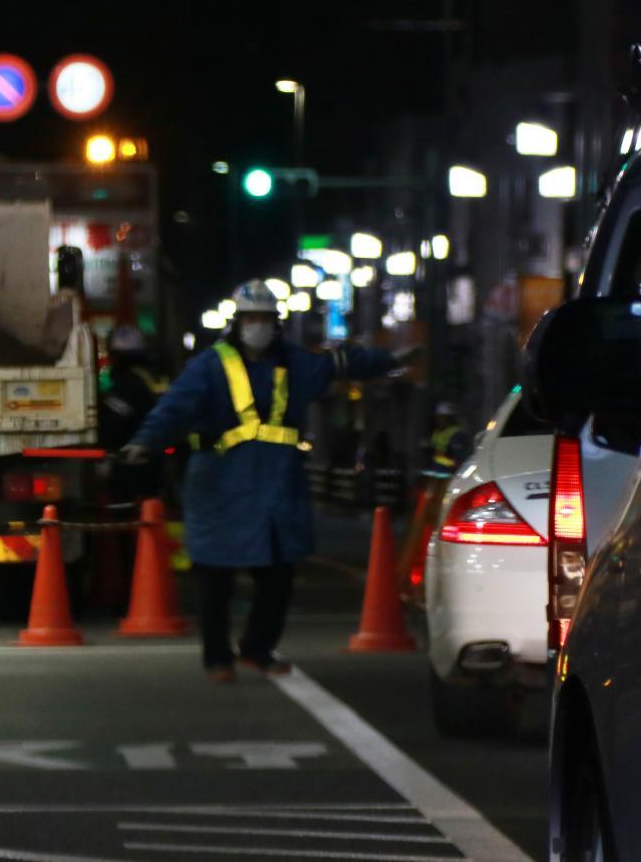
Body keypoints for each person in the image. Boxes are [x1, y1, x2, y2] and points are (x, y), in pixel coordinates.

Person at [122, 279, 419, 682]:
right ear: (238, 321)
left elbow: (342, 364)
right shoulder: (210, 365)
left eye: (264, 318)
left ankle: (257, 649)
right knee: (215, 575)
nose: (258, 325)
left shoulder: (293, 362)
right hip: (221, 485)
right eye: (251, 318)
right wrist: (145, 441)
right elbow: (174, 407)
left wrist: (389, 360)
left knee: (278, 573)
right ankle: (218, 658)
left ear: (275, 322)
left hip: (276, 487)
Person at [428, 401, 471, 472]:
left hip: (448, 472)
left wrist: (442, 457)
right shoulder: (437, 432)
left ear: (449, 419)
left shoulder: (456, 434)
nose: (439, 420)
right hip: (436, 471)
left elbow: (459, 460)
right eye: (438, 418)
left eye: (443, 418)